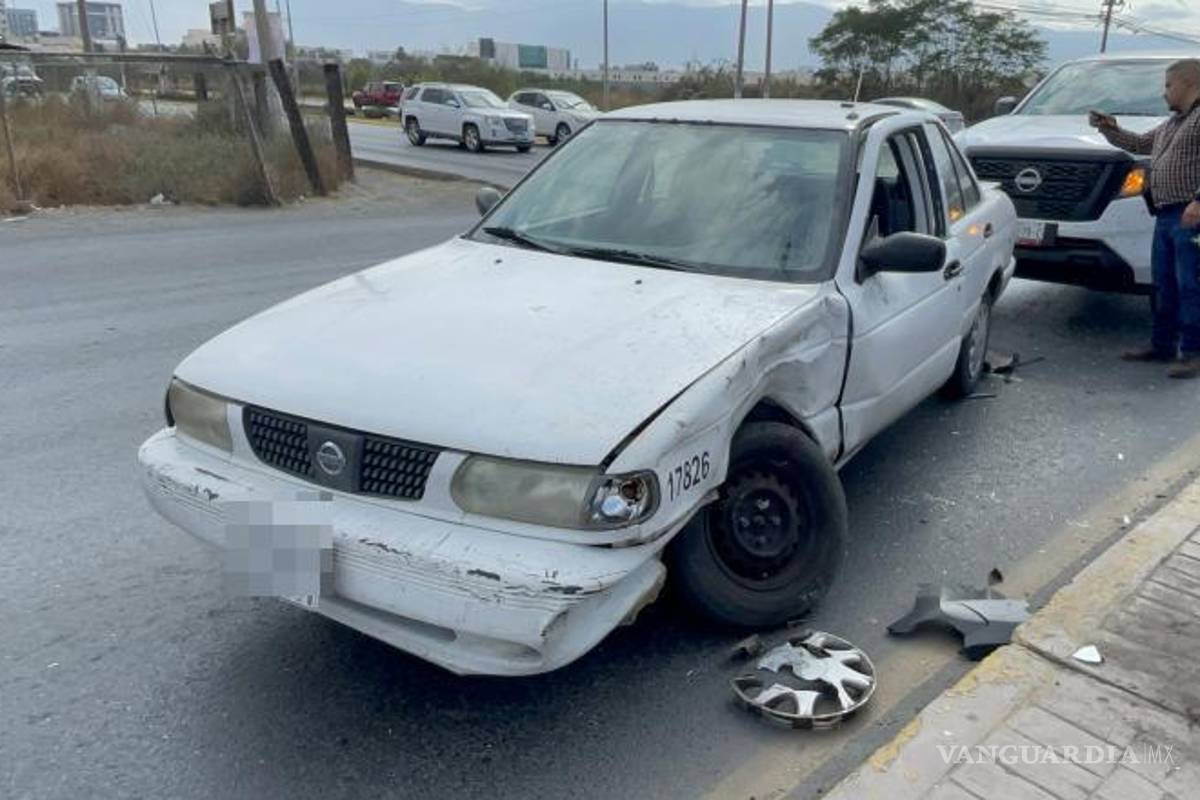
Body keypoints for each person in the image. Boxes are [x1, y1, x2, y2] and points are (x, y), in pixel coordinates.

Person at [1090, 59, 1200, 379]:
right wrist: (1109, 129)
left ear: (1189, 83)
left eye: (1168, 85)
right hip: (1166, 214)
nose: (1164, 92)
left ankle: (1193, 353)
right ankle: (1162, 345)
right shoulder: (1172, 124)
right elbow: (1139, 144)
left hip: (1190, 214)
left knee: (1190, 284)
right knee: (1164, 283)